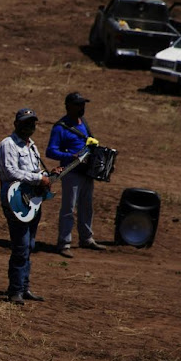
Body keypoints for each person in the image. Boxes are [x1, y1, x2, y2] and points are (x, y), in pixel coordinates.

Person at [0, 109, 59, 305]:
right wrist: (38, 178)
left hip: (31, 202)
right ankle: (15, 290)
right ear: (16, 124)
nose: (29, 126)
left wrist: (48, 175)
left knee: (29, 245)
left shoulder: (32, 146)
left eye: (32, 123)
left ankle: (24, 287)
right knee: (21, 246)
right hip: (16, 201)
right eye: (25, 122)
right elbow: (10, 172)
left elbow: (35, 172)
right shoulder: (8, 145)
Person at [46, 92, 107, 259]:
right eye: (79, 104)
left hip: (86, 172)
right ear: (68, 106)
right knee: (69, 208)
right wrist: (70, 157)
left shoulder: (83, 123)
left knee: (87, 206)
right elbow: (50, 151)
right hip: (71, 172)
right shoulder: (60, 127)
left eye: (83, 104)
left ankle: (86, 238)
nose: (82, 107)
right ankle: (64, 243)